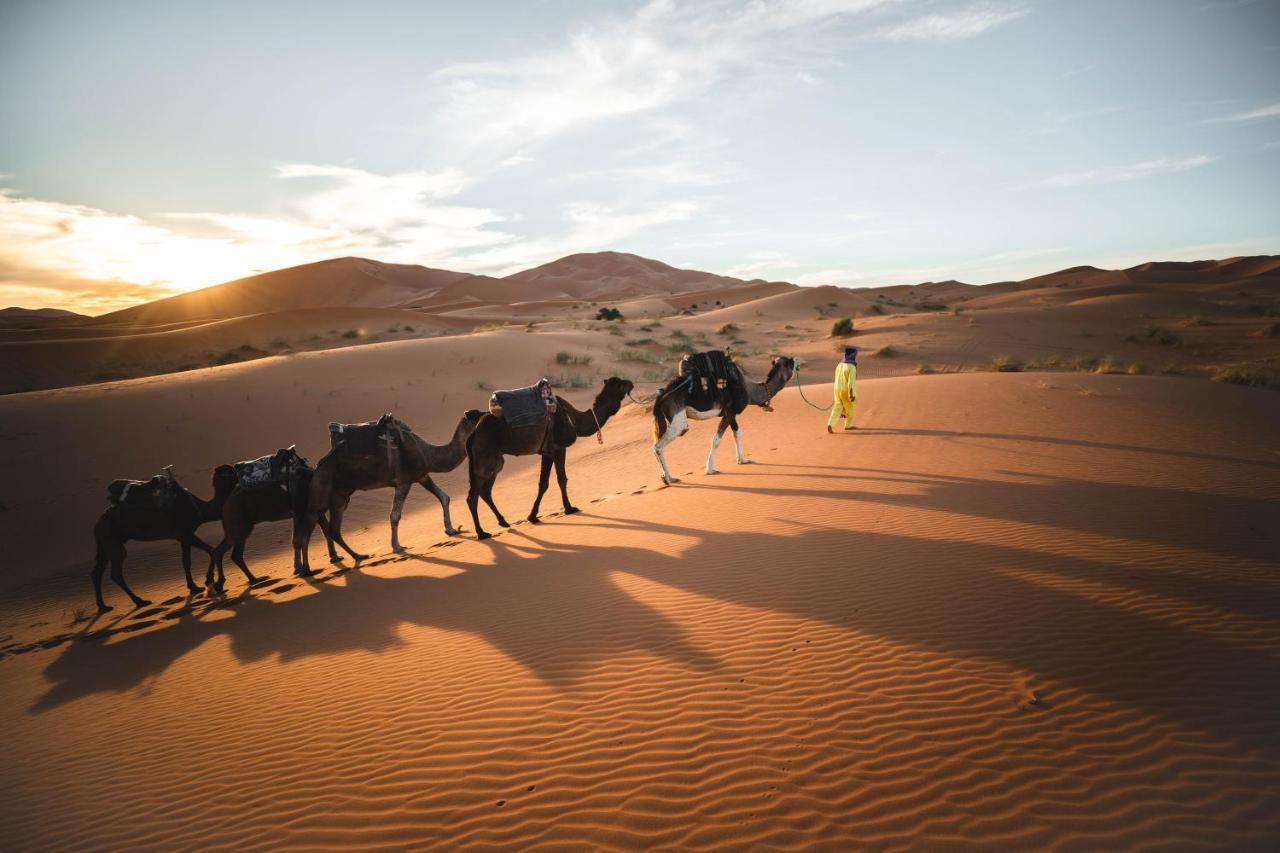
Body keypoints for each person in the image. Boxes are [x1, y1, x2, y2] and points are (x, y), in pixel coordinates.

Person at [827, 346, 857, 433]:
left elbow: (836, 378)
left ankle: (830, 424)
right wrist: (852, 394)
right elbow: (851, 382)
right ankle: (848, 425)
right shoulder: (851, 367)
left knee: (837, 406)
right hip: (845, 390)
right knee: (851, 407)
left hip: (836, 389)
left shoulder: (839, 365)